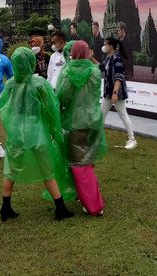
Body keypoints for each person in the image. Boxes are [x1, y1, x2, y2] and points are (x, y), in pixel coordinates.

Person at [0, 47, 75, 222]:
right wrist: (55, 130)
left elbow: (4, 106)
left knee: (10, 169)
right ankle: (60, 208)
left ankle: (5, 207)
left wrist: (11, 126)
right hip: (36, 131)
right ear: (31, 63)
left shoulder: (11, 83)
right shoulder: (39, 84)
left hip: (17, 131)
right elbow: (51, 108)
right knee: (47, 169)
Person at [54, 40, 107, 216]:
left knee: (79, 165)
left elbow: (60, 97)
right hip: (93, 121)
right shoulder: (94, 71)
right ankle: (83, 195)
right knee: (87, 161)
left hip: (73, 123)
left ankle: (94, 205)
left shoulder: (67, 72)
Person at [96, 37, 137, 150]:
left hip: (117, 94)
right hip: (108, 93)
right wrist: (91, 59)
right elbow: (101, 68)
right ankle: (98, 139)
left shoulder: (117, 59)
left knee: (123, 115)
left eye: (105, 44)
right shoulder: (108, 58)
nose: (104, 46)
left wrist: (115, 93)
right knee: (101, 115)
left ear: (111, 46)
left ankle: (132, 139)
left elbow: (119, 77)